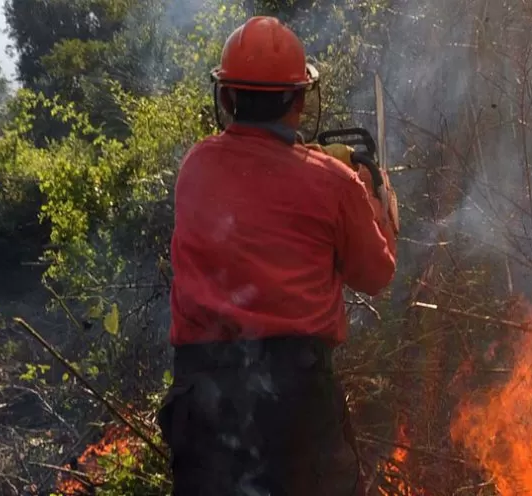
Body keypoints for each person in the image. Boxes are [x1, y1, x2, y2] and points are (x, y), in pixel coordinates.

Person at [156, 15, 398, 496]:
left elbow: (261, 179)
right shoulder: (334, 183)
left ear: (226, 97)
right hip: (295, 403)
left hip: (206, 399)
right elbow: (375, 275)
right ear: (301, 99)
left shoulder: (196, 166)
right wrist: (376, 199)